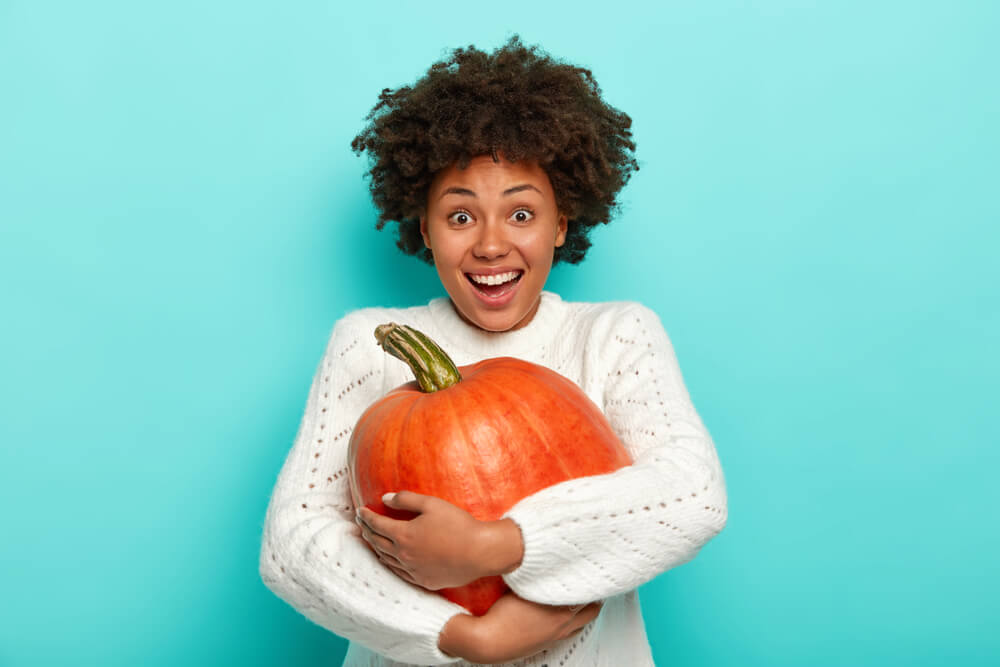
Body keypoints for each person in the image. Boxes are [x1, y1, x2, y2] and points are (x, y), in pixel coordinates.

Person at [259, 36, 728, 666]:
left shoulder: (617, 335)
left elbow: (690, 495)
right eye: (459, 217)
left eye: (521, 214)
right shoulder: (366, 347)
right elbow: (293, 545)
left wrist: (494, 546)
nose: (489, 245)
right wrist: (460, 637)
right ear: (422, 226)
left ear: (562, 221)